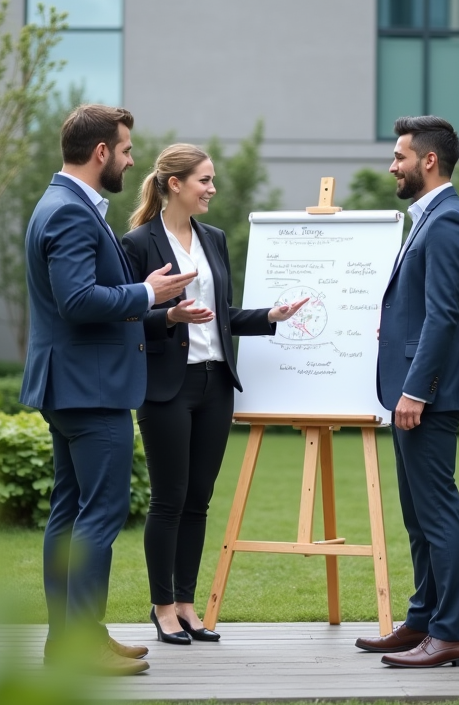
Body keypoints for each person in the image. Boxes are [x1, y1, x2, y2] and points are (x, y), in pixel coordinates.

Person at [20, 105, 197, 675]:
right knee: (100, 513)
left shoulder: (65, 205)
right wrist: (146, 293)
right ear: (101, 153)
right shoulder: (70, 213)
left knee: (69, 514)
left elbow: (90, 301)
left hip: (73, 386)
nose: (129, 160)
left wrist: (160, 312)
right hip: (89, 392)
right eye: (124, 151)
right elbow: (77, 302)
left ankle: (72, 637)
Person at [120, 143, 308, 645]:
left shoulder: (215, 239)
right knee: (169, 500)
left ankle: (186, 604)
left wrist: (269, 317)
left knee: (199, 501)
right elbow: (127, 317)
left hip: (215, 383)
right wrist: (169, 317)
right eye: (205, 180)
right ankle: (161, 607)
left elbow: (220, 314)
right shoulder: (137, 244)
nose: (212, 188)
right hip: (166, 386)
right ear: (175, 184)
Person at [355, 115, 459, 668]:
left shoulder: (449, 220)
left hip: (427, 396)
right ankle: (423, 620)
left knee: (436, 513)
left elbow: (444, 317)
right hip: (416, 392)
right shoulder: (431, 218)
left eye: (399, 156)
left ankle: (453, 633)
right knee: (417, 514)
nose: (392, 166)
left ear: (428, 161)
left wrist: (416, 391)